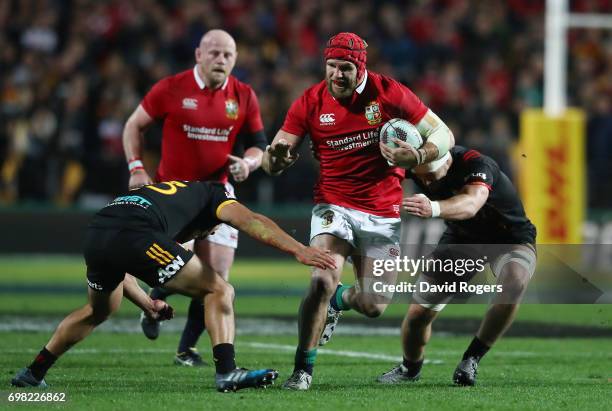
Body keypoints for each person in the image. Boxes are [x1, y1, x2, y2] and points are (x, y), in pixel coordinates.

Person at [261, 32, 455, 390]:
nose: (336, 74)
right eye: (331, 66)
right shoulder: (309, 101)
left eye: (345, 68)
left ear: (360, 68)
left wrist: (418, 155)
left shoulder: (389, 93)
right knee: (321, 279)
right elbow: (275, 158)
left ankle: (339, 300)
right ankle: (302, 369)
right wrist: (275, 159)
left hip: (382, 212)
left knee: (373, 304)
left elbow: (444, 135)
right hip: (333, 205)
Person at [11, 180, 336, 392]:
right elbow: (250, 220)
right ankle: (227, 371)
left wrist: (148, 305)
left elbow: (122, 260)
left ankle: (33, 373)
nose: (206, 234)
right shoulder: (216, 193)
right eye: (209, 230)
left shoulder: (169, 195)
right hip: (136, 233)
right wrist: (299, 248)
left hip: (98, 234)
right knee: (220, 289)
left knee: (99, 310)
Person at [122, 29, 267, 366]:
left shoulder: (244, 95)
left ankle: (186, 350)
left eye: (228, 55)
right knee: (176, 268)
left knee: (216, 278)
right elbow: (133, 125)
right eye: (214, 52)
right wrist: (135, 167)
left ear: (235, 60)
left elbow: (259, 143)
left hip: (216, 195)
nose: (221, 59)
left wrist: (249, 162)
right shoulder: (171, 88)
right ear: (199, 55)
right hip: (172, 195)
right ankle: (154, 301)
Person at [376, 145, 537, 386]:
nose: (427, 179)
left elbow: (472, 204)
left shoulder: (477, 164)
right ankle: (410, 368)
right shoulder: (414, 167)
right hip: (462, 239)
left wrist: (434, 208)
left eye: (431, 172)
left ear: (446, 160)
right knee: (419, 314)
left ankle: (471, 358)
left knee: (514, 281)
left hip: (509, 237)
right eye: (422, 174)